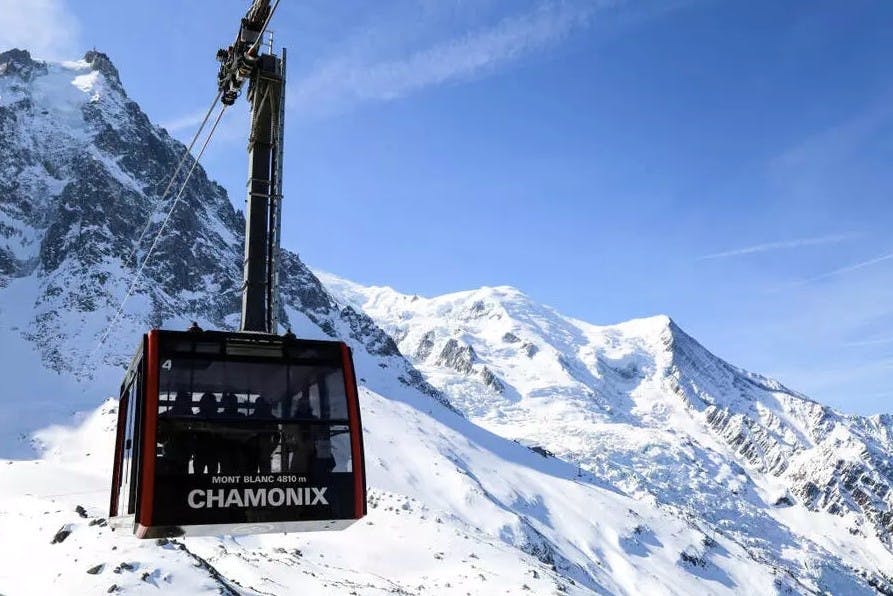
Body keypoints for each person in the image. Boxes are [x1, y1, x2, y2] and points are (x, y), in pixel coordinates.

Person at [218, 393, 247, 474]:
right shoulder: (241, 416)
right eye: (231, 403)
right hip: (230, 449)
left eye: (233, 402)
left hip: (234, 449)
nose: (232, 405)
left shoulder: (220, 416)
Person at [249, 396, 278, 474]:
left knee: (264, 476)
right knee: (253, 476)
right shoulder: (250, 419)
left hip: (263, 451)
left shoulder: (270, 419)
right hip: (253, 452)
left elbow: (277, 436)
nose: (260, 407)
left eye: (261, 405)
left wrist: (270, 449)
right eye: (258, 405)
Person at [192, 392, 219, 474]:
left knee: (199, 476)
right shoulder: (217, 418)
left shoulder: (197, 417)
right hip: (209, 451)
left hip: (202, 451)